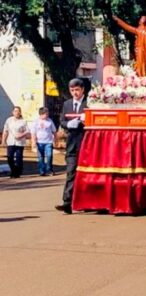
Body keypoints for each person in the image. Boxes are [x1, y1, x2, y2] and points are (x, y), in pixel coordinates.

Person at [55, 78, 87, 214]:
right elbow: (62, 120)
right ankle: (67, 202)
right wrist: (68, 124)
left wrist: (87, 119)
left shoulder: (89, 103)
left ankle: (86, 202)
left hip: (86, 144)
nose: (75, 93)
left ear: (82, 90)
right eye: (72, 90)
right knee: (71, 172)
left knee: (86, 174)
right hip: (72, 144)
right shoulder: (67, 104)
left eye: (77, 90)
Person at [1, 106, 30, 178]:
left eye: (18, 111)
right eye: (15, 111)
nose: (17, 112)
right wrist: (3, 141)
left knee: (19, 158)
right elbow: (5, 131)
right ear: (13, 112)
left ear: (20, 112)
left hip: (20, 143)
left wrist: (21, 135)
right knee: (9, 158)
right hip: (10, 142)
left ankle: (17, 173)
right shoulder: (9, 120)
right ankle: (14, 170)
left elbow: (28, 132)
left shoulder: (23, 121)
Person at [30, 107, 57, 176]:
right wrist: (33, 142)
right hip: (39, 142)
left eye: (47, 114)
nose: (47, 115)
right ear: (41, 114)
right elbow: (33, 133)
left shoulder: (50, 121)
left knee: (49, 155)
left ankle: (49, 169)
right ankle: (42, 171)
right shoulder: (36, 122)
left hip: (48, 142)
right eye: (45, 114)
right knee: (40, 157)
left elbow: (54, 131)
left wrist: (55, 140)